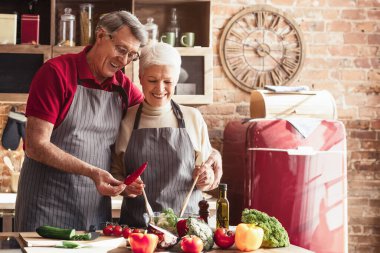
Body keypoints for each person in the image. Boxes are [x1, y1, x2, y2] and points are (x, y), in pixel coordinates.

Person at [15, 11, 148, 232]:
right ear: (101, 35)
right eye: (121, 49)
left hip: (92, 212)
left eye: (132, 55)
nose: (123, 61)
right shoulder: (56, 73)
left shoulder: (125, 89)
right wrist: (93, 172)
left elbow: (160, 116)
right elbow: (36, 146)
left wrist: (209, 154)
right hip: (45, 207)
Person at [111, 42, 219, 227]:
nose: (160, 88)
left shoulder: (193, 118)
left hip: (188, 229)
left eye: (167, 81)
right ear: (141, 77)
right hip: (138, 229)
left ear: (176, 81)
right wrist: (125, 188)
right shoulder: (125, 119)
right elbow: (115, 175)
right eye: (152, 80)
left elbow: (207, 174)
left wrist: (206, 178)